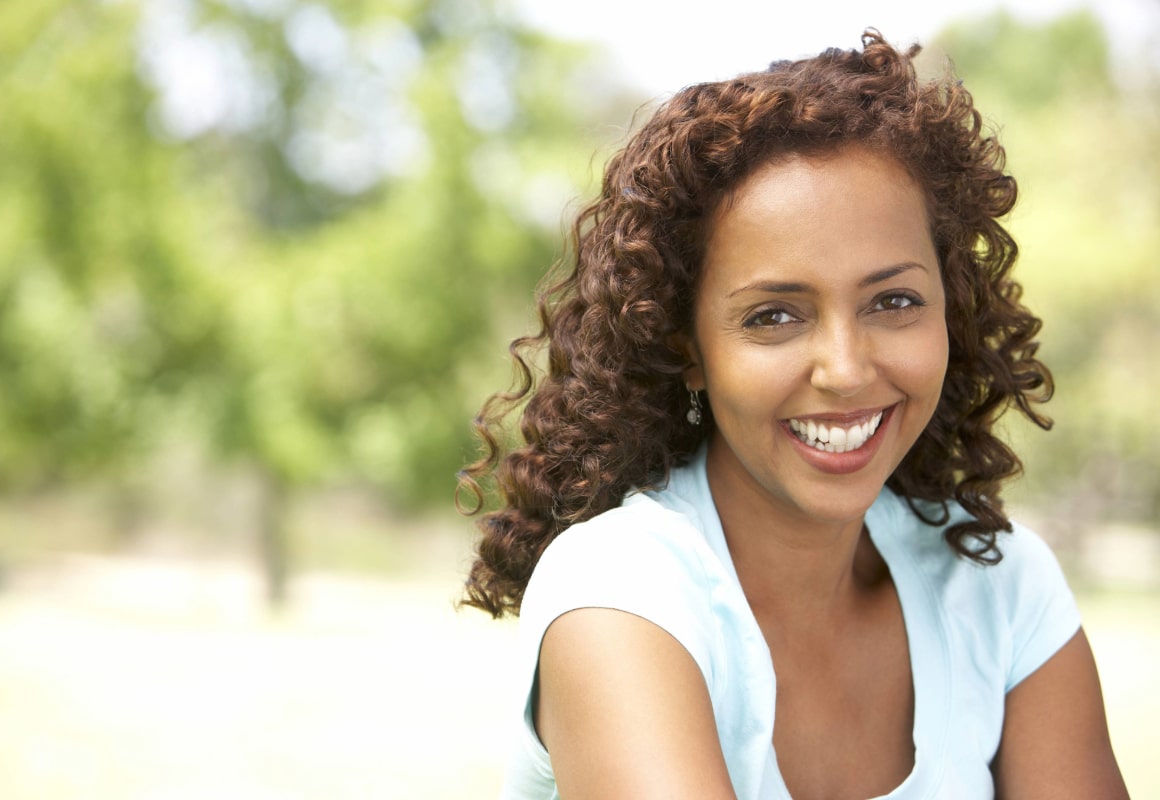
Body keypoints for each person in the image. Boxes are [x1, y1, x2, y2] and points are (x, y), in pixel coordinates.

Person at [458, 30, 1129, 800]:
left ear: (953, 308)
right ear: (685, 344)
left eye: (894, 301)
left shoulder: (999, 588)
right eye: (774, 316)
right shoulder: (620, 595)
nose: (845, 370)